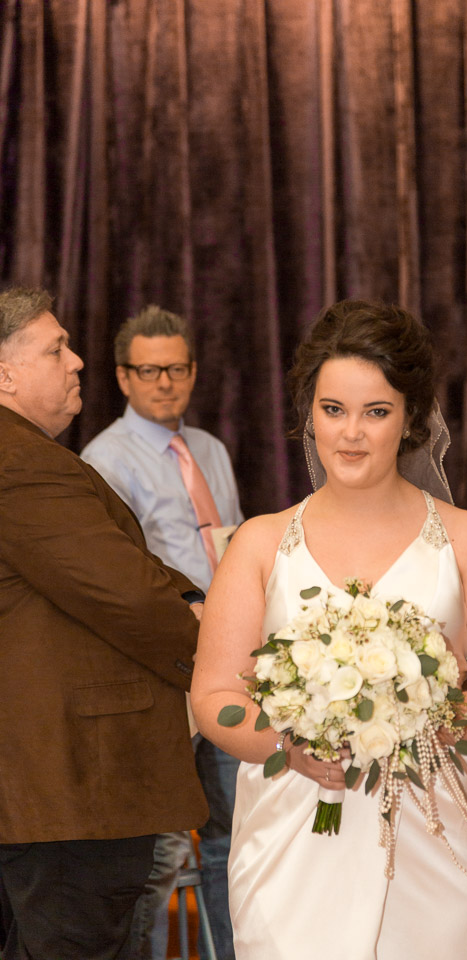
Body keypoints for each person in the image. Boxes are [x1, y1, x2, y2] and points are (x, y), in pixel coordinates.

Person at [190, 299, 467, 959]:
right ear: (309, 414)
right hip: (293, 845)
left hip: (433, 840)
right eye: (333, 409)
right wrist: (289, 743)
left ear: (411, 418)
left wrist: (421, 722)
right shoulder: (260, 544)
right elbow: (214, 697)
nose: (351, 433)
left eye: (376, 412)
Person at [0, 287, 209, 960]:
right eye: (56, 349)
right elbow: (122, 593)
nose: (78, 361)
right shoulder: (19, 460)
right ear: (5, 374)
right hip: (69, 787)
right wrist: (227, 651)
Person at [82, 305, 243, 960]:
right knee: (162, 847)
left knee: (234, 837)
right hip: (161, 673)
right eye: (149, 371)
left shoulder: (210, 449)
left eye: (176, 368)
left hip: (227, 664)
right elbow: (118, 581)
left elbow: (231, 549)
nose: (165, 383)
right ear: (123, 377)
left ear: (194, 372)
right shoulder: (103, 459)